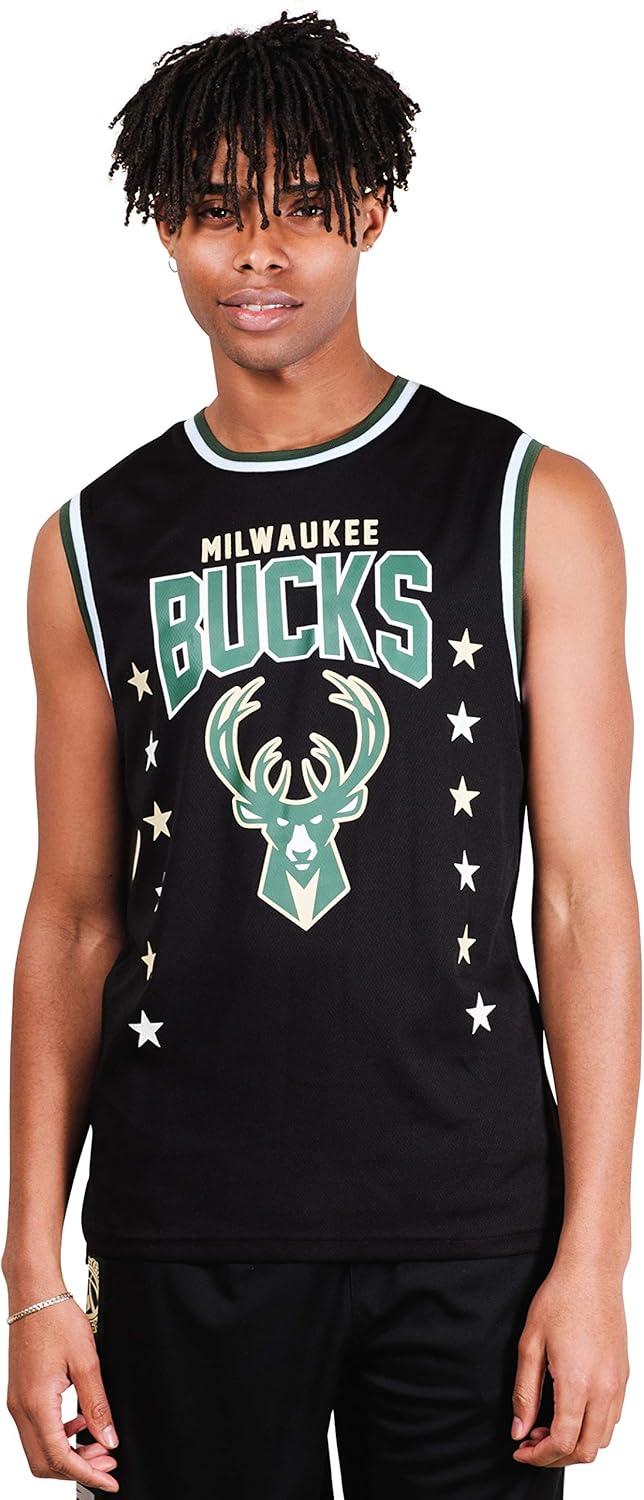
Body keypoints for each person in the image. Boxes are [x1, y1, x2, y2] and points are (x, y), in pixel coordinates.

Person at [2, 10, 639, 1498]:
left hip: (472, 1222)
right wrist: (31, 1273)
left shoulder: (530, 499)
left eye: (300, 205)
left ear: (372, 210)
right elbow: (75, 916)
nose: (259, 252)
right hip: (185, 1218)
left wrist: (596, 1257)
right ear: (164, 226)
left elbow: (584, 896)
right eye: (216, 210)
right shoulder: (91, 541)